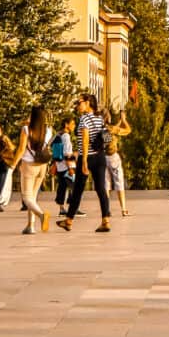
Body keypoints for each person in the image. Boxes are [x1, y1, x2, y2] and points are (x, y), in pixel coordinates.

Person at [57, 94, 112, 233]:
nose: (77, 105)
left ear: (87, 103)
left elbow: (85, 139)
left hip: (87, 158)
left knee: (78, 190)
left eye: (79, 102)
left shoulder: (84, 119)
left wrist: (85, 162)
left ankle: (69, 221)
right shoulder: (100, 118)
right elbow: (107, 137)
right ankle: (106, 220)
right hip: (100, 157)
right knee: (101, 189)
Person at [10, 106, 53, 234]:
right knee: (33, 197)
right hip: (42, 165)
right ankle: (30, 225)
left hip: (29, 165)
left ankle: (41, 215)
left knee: (26, 198)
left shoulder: (26, 130)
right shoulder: (48, 130)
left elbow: (21, 149)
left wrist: (12, 165)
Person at [104, 108, 132, 218]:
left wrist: (119, 121)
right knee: (119, 182)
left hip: (103, 158)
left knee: (106, 185)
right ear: (107, 118)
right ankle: (124, 209)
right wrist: (124, 120)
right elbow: (127, 130)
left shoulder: (101, 130)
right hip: (113, 158)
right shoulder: (112, 129)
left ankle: (106, 209)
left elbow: (112, 130)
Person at [52, 115, 81, 214]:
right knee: (74, 188)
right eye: (72, 124)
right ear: (66, 124)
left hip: (60, 166)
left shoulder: (58, 134)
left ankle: (62, 209)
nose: (74, 126)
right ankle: (74, 209)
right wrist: (71, 168)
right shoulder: (66, 136)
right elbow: (67, 154)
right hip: (67, 166)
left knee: (62, 187)